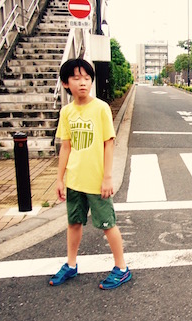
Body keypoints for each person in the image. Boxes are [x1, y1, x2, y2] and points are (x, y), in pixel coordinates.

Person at [49, 58, 132, 290]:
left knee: (108, 224)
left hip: (97, 181)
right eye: (76, 78)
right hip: (75, 180)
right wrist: (59, 178)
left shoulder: (101, 108)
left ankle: (122, 268)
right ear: (66, 83)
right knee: (74, 223)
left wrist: (108, 177)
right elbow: (66, 146)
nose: (83, 83)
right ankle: (71, 264)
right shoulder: (66, 112)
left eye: (87, 78)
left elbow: (109, 143)